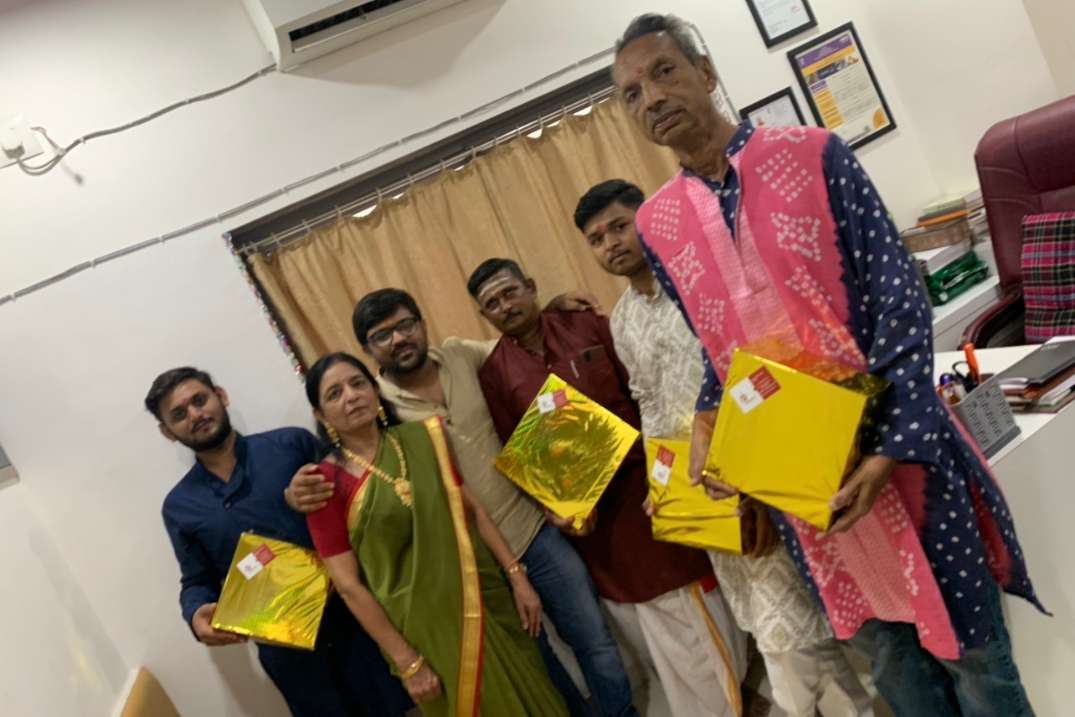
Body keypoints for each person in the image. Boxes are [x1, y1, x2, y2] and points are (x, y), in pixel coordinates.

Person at [611, 13, 1043, 716]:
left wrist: (887, 448)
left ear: (706, 72)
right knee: (890, 663)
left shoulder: (813, 154)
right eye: (631, 92)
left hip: (900, 460)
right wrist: (706, 422)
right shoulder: (658, 225)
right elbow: (716, 350)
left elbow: (898, 299)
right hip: (804, 489)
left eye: (664, 71)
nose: (651, 97)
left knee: (975, 657)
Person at [575, 178, 875, 717]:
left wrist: (750, 479)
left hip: (757, 471)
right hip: (702, 492)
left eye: (619, 227)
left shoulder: (700, 286)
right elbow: (647, 400)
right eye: (596, 239)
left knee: (793, 620)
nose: (610, 244)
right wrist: (663, 484)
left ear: (647, 221)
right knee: (764, 618)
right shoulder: (621, 319)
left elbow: (752, 374)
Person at [288, 289, 639, 717]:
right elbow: (349, 527)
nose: (398, 338)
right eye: (382, 335)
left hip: (532, 527)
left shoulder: (460, 355)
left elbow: (518, 339)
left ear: (421, 324)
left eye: (405, 325)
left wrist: (552, 308)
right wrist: (294, 493)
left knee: (593, 639)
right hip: (470, 560)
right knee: (535, 660)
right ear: (369, 349)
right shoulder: (378, 407)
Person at [470, 258, 749, 717]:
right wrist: (559, 509)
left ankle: (733, 696)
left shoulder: (585, 325)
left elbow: (643, 393)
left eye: (509, 292)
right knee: (647, 619)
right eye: (492, 303)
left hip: (649, 488)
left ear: (531, 287)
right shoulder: (495, 373)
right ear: (484, 315)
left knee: (695, 593)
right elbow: (519, 446)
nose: (505, 305)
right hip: (597, 522)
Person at [302, 352, 567, 716]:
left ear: (375, 390)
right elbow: (348, 587)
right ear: (321, 415)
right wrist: (406, 660)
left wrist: (517, 576)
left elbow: (472, 509)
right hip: (423, 633)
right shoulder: (323, 485)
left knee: (536, 695)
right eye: (334, 394)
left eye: (358, 383)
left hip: (484, 598)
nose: (351, 396)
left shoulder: (424, 438)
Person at [148, 367, 412, 717]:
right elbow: (196, 579)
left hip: (358, 622)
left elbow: (359, 505)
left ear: (221, 396)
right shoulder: (179, 506)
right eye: (179, 414)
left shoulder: (291, 445)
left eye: (200, 400)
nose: (195, 414)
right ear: (167, 431)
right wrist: (196, 613)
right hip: (290, 654)